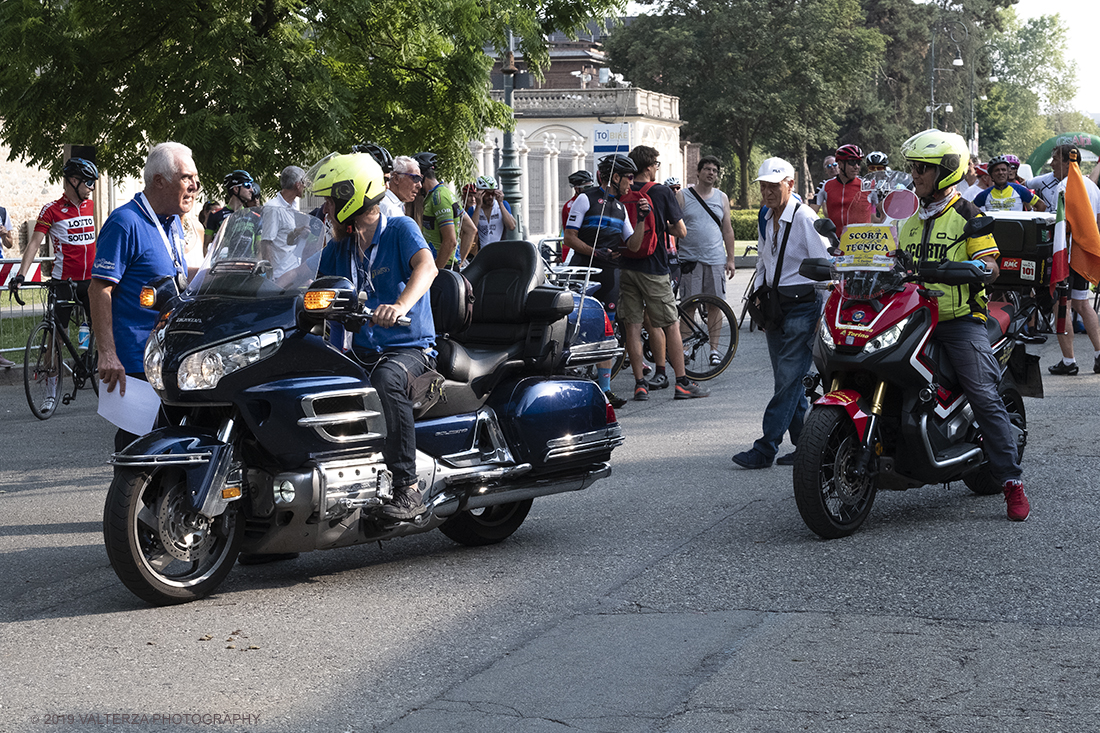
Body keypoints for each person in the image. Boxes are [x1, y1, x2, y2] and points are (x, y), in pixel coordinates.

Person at [895, 129, 1029, 521]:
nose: (915, 174)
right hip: (914, 316)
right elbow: (898, 260)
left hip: (958, 320)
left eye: (923, 168)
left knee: (984, 395)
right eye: (913, 167)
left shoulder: (969, 217)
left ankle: (1011, 481)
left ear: (948, 171)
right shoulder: (911, 220)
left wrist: (973, 269)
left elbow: (991, 265)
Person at [313, 153, 438, 520]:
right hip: (362, 349)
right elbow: (306, 283)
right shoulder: (340, 248)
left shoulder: (400, 230)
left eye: (331, 200)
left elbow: (427, 267)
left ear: (353, 196)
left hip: (410, 350)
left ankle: (407, 488)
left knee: (386, 380)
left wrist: (399, 305)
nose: (326, 208)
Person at [90, 142, 199, 451]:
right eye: (186, 178)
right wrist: (107, 353)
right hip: (134, 360)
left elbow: (170, 274)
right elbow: (99, 288)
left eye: (196, 179)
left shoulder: (172, 220)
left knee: (171, 448)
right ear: (159, 181)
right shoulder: (125, 222)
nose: (194, 186)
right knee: (138, 451)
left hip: (166, 355)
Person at [732, 158, 829, 470]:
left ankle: (765, 448)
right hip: (776, 306)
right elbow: (764, 259)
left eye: (774, 186)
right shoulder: (765, 215)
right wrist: (760, 297)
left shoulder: (804, 218)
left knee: (787, 381)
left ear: (791, 183)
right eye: (763, 186)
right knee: (790, 380)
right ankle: (807, 447)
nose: (767, 192)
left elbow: (826, 267)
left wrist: (823, 314)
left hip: (803, 305)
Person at [621, 145, 707, 401]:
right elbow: (681, 231)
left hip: (626, 266)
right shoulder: (659, 192)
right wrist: (663, 225)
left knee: (633, 328)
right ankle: (682, 382)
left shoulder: (623, 192)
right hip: (654, 267)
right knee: (671, 324)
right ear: (649, 167)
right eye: (656, 165)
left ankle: (640, 384)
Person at [563, 153, 649, 408]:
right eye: (629, 178)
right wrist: (594, 251)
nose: (631, 183)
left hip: (610, 275)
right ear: (615, 177)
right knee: (576, 328)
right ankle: (571, 384)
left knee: (606, 332)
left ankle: (605, 390)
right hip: (584, 271)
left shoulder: (621, 208)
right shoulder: (584, 199)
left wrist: (642, 219)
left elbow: (632, 245)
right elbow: (569, 238)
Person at [8, 158, 101, 375]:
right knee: (59, 336)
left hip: (91, 279)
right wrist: (21, 275)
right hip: (64, 281)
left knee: (100, 323)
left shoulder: (90, 206)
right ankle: (51, 381)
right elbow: (33, 244)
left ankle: (91, 357)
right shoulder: (51, 210)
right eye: (88, 182)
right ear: (73, 181)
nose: (92, 188)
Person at [1026, 144, 1100, 374]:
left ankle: (1069, 361)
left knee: (1063, 305)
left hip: (1067, 255)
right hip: (1084, 253)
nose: (1051, 164)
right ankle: (1099, 355)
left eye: (1055, 159)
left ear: (1069, 161)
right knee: (1082, 304)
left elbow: (1062, 226)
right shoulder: (1092, 186)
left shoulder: (1064, 186)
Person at [675, 155, 737, 364]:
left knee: (715, 305)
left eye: (715, 171)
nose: (711, 173)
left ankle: (714, 350)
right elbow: (673, 227)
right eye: (708, 169)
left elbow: (727, 230)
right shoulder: (682, 196)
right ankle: (683, 347)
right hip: (690, 260)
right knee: (688, 306)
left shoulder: (721, 198)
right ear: (698, 172)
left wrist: (730, 259)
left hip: (715, 259)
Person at [413, 152, 461, 270]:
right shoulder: (444, 193)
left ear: (422, 176)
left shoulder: (438, 198)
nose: (415, 184)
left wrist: (436, 270)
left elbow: (450, 240)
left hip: (442, 267)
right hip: (444, 265)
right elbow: (470, 229)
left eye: (415, 178)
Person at [259, 165, 308, 279]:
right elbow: (266, 243)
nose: (305, 186)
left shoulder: (294, 207)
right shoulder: (273, 208)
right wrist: (269, 277)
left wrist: (298, 233)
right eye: (304, 183)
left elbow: (285, 238)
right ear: (297, 184)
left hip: (294, 271)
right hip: (279, 275)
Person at [817, 144, 877, 236]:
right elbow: (810, 213)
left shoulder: (868, 185)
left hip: (862, 244)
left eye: (858, 162)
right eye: (852, 162)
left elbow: (885, 211)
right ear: (840, 164)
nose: (856, 166)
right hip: (836, 243)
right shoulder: (825, 186)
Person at [204, 170, 261, 247]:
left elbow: (260, 249)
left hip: (247, 259)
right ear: (236, 189)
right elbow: (206, 246)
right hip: (223, 258)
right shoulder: (215, 215)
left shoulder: (256, 217)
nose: (252, 190)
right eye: (247, 185)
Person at [973, 156, 1046, 213]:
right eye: (997, 170)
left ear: (1008, 173)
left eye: (1003, 170)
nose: (1001, 172)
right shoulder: (985, 194)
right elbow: (969, 209)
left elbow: (1041, 205)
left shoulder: (1020, 190)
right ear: (991, 176)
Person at [466, 175, 516, 245]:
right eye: (487, 194)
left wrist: (501, 203)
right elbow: (471, 229)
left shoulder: (503, 205)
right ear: (479, 193)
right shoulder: (473, 209)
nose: (490, 197)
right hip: (482, 251)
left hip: (499, 249)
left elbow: (511, 226)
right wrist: (478, 206)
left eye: (493, 193)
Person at [560, 170, 595, 262]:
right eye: (587, 187)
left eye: (592, 186)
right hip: (575, 250)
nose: (591, 189)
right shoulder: (570, 206)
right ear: (576, 189)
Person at [381, 155, 421, 219]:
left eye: (420, 179)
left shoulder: (395, 205)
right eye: (415, 178)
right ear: (396, 178)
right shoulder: (389, 209)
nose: (420, 185)